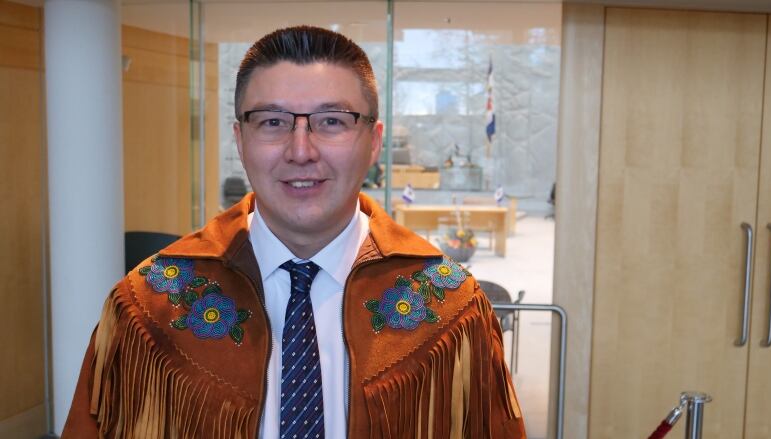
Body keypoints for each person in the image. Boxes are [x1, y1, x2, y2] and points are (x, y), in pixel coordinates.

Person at [62, 25, 525, 438]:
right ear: (240, 141)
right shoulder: (152, 307)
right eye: (272, 122)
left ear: (374, 141)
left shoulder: (449, 310)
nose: (301, 151)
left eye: (331, 122)